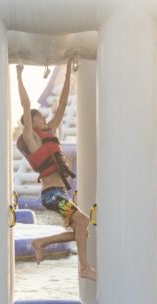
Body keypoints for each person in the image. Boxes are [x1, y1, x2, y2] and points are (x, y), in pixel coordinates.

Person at [16, 60, 96, 281]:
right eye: (38, 117)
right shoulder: (31, 138)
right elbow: (25, 105)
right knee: (83, 221)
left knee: (82, 230)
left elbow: (61, 105)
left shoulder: (50, 131)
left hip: (60, 193)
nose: (43, 117)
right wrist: (19, 75)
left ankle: (41, 242)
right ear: (31, 123)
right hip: (50, 195)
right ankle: (85, 268)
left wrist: (69, 72)